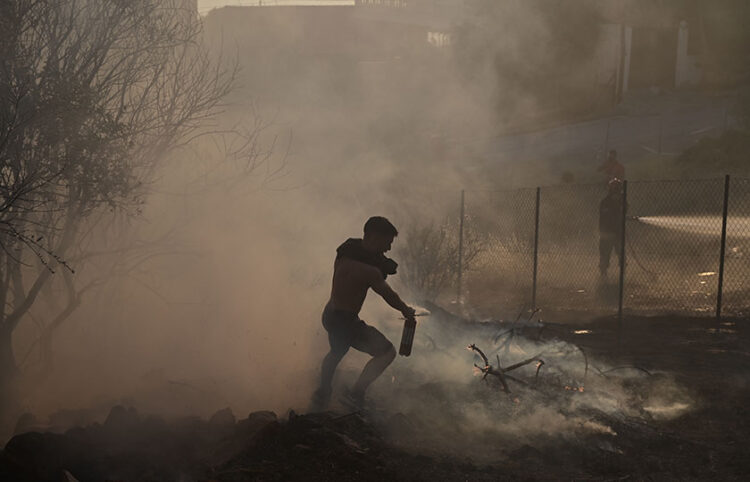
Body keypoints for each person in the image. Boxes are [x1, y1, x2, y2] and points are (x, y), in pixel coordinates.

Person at [310, 216, 416, 411]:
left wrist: (382, 261)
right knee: (387, 352)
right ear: (374, 237)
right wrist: (405, 310)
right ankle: (355, 395)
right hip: (347, 322)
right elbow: (389, 296)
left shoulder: (345, 251)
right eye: (387, 242)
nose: (389, 249)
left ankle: (322, 393)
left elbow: (364, 252)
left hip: (330, 314)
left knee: (336, 352)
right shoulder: (370, 272)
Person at [599, 178, 624, 278]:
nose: (616, 190)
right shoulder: (605, 201)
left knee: (621, 254)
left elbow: (625, 210)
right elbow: (604, 215)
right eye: (615, 188)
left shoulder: (622, 200)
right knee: (605, 254)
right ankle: (603, 274)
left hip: (617, 231)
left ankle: (622, 276)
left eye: (617, 188)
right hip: (607, 232)